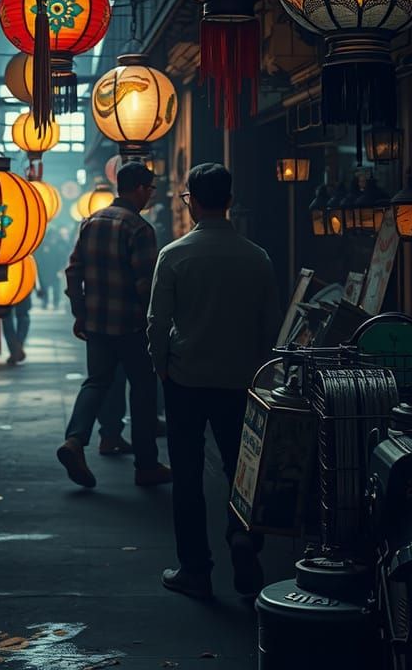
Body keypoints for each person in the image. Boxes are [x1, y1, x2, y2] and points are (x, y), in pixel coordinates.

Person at [147, 162, 281, 600]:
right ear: (228, 201)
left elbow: (157, 322)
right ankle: (243, 538)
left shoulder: (175, 254)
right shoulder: (256, 257)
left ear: (193, 202)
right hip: (241, 381)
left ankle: (196, 569)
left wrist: (161, 366)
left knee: (186, 476)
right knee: (241, 472)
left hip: (185, 378)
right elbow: (270, 326)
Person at [57, 161, 171, 489]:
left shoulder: (91, 222)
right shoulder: (139, 228)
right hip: (132, 327)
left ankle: (75, 441)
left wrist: (80, 312)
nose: (150, 195)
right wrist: (157, 325)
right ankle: (146, 465)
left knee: (96, 383)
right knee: (144, 390)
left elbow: (73, 271)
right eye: (149, 189)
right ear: (138, 188)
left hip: (96, 324)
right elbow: (146, 285)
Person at [0, 294, 32, 365]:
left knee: (6, 317)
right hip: (24, 287)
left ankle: (14, 349)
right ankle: (18, 346)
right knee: (23, 316)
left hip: (5, 287)